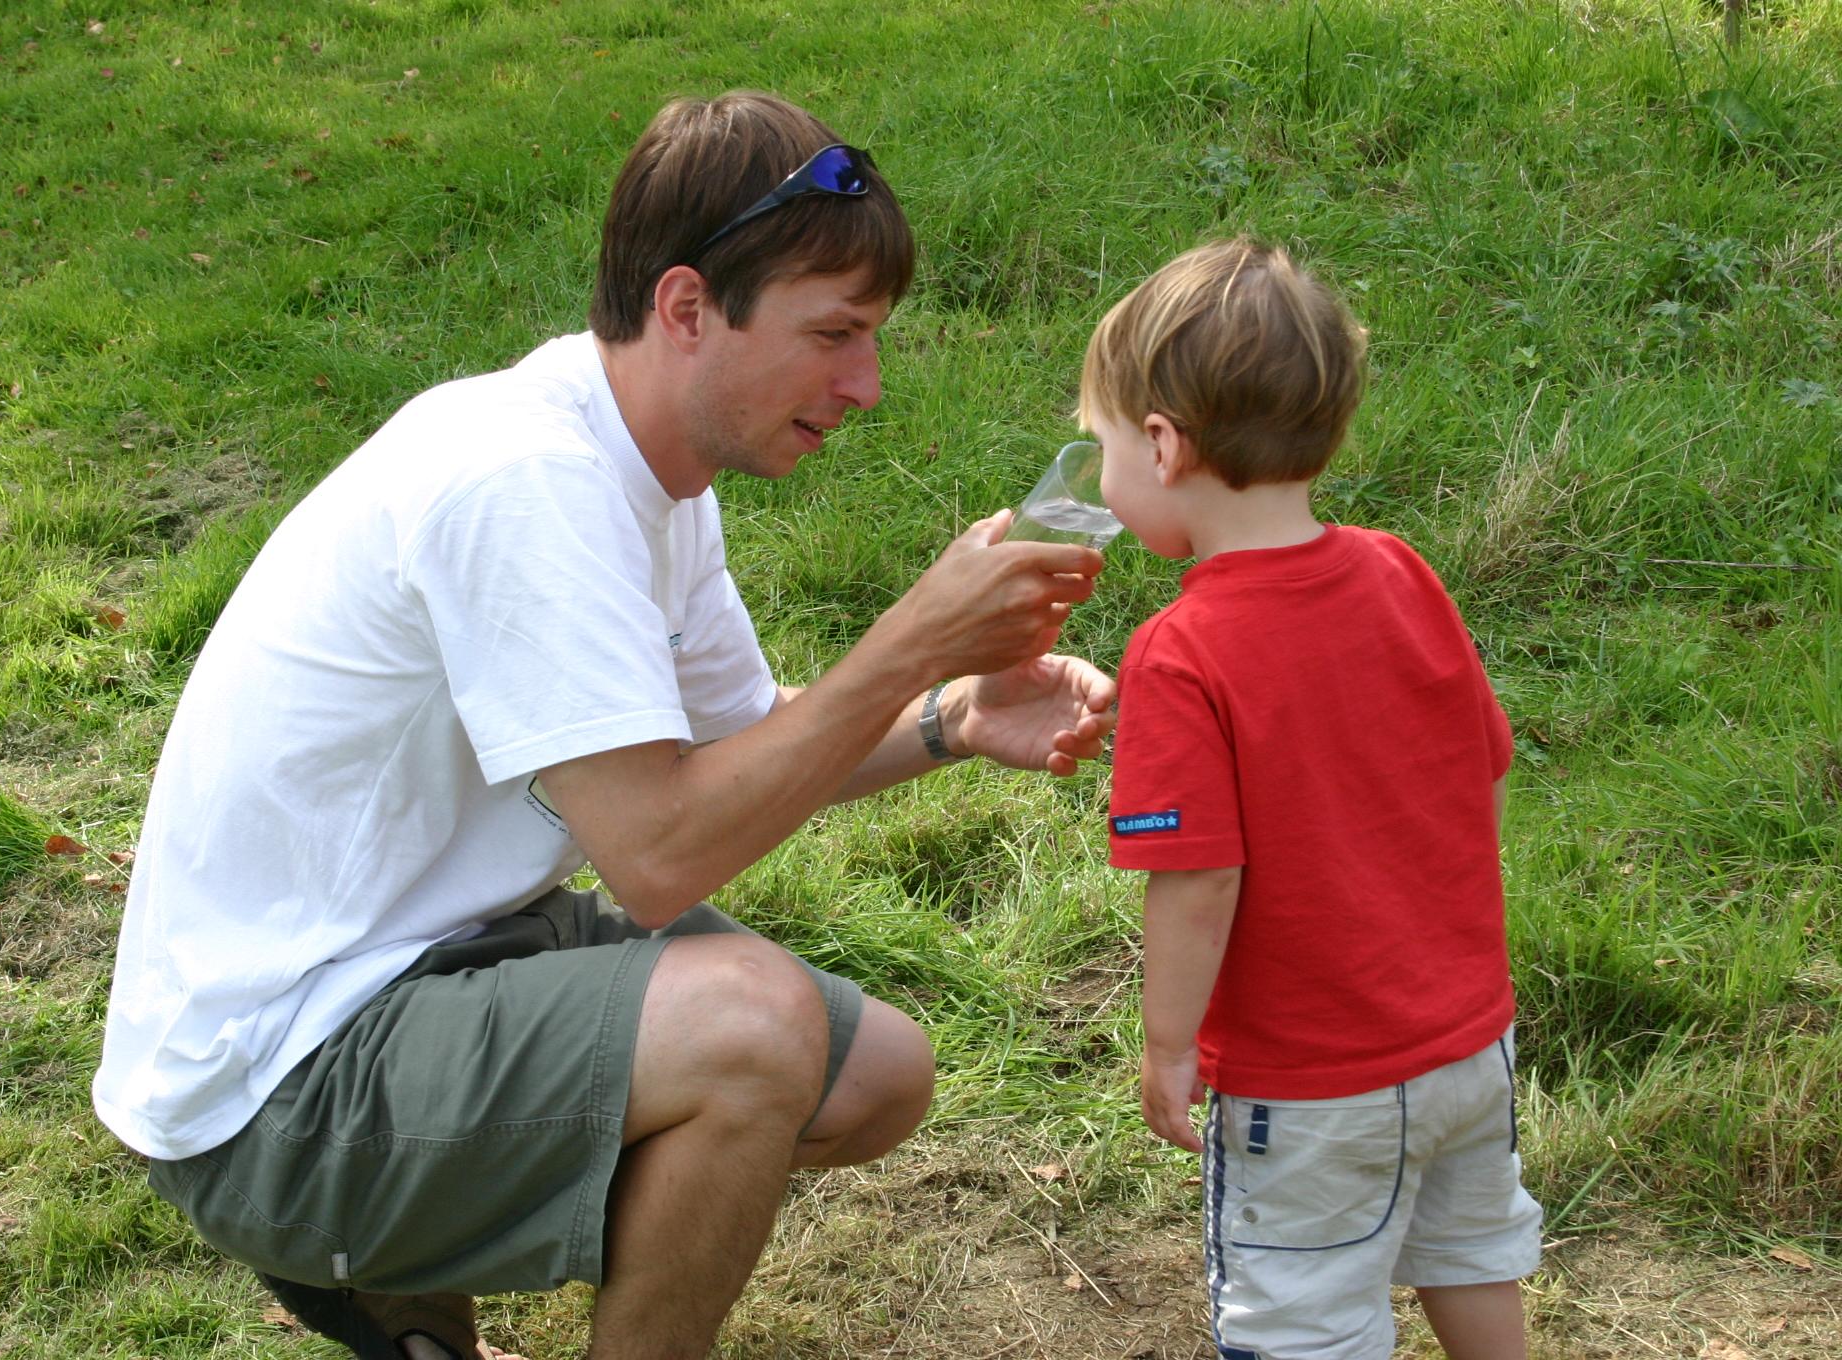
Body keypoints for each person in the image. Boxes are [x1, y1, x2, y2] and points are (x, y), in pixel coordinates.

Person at [90, 90, 1117, 1360]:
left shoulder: (647, 472)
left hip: (440, 959)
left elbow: (746, 741)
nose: (865, 385)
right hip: (277, 1082)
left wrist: (952, 713)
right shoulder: (524, 482)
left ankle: (403, 1290)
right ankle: (371, 1252)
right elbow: (660, 853)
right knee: (751, 1033)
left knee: (873, 1076)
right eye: (833, 334)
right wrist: (908, 640)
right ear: (686, 307)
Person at [1085, 238, 1541, 1360]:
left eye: (1099, 444)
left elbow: (1198, 876)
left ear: (1161, 445)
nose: (1099, 473)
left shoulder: (1181, 651)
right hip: (1464, 1043)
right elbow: (1480, 769)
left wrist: (1167, 1045)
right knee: (1469, 1251)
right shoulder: (1400, 570)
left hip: (1307, 1082)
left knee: (1299, 1318)